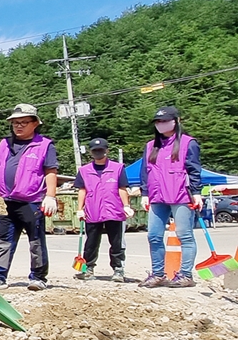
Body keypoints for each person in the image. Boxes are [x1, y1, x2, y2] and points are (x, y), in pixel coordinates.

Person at [0, 104, 58, 291]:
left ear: (35, 123)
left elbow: (50, 171)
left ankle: (38, 277)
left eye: (24, 122)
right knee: (3, 239)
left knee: (36, 240)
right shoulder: (4, 144)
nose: (18, 126)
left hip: (31, 201)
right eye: (15, 123)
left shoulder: (44, 145)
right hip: (6, 200)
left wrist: (50, 196)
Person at [138, 106, 202, 288]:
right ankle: (158, 274)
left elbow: (194, 170)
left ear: (176, 121)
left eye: (164, 121)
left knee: (185, 236)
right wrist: (144, 193)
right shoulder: (150, 146)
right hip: (157, 196)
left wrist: (196, 193)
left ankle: (185, 274)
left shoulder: (189, 143)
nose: (161, 124)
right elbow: (145, 171)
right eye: (158, 122)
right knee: (154, 236)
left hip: (181, 195)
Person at [74, 137, 134, 282]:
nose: (98, 154)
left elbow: (122, 188)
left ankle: (118, 269)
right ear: (91, 152)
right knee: (91, 242)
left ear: (106, 151)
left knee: (116, 242)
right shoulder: (84, 170)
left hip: (114, 211)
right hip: (93, 211)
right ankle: (87, 269)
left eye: (101, 151)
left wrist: (126, 205)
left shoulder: (118, 168)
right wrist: (80, 209)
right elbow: (82, 190)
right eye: (95, 151)